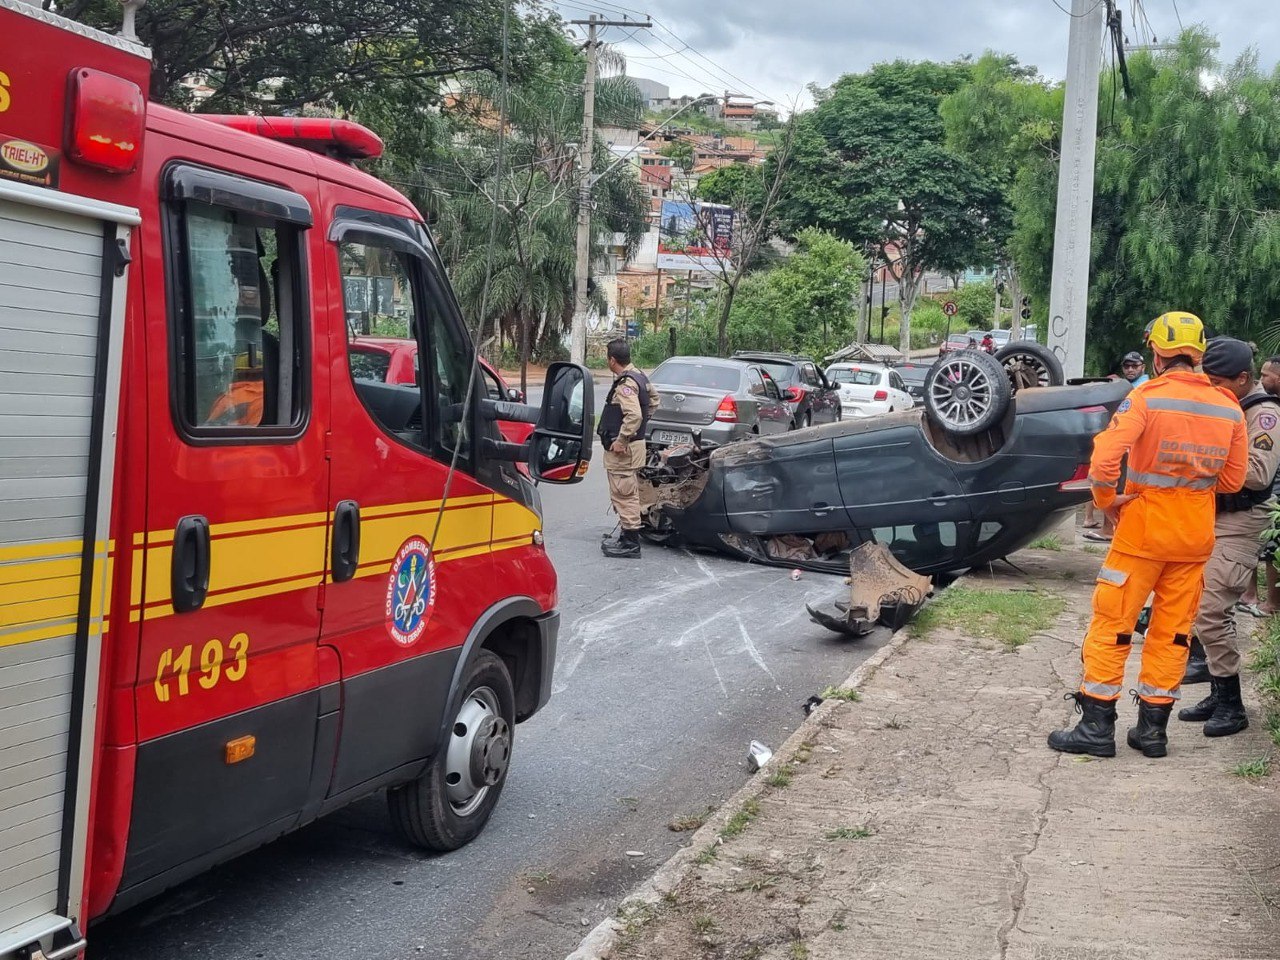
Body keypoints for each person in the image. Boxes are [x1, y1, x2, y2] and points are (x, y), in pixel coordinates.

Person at [1048, 311, 1248, 759]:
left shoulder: (1146, 398)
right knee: (1173, 633)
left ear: (1156, 354)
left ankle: (1097, 728)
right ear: (1198, 354)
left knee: (1113, 626)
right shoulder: (1229, 408)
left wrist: (1105, 500)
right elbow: (1233, 483)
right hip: (1195, 537)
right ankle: (1153, 732)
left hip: (1141, 532)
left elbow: (1104, 461)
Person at [1174, 338, 1280, 736]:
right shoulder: (1227, 403)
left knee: (1212, 608)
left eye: (1219, 382)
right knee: (1201, 604)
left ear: (1242, 378)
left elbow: (1257, 473)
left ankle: (1232, 705)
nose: (1212, 390)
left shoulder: (1264, 414)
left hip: (1244, 519)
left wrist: (1197, 465)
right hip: (1213, 517)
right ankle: (1220, 693)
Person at [597, 339, 658, 559]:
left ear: (612, 360)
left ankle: (631, 543)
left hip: (624, 450)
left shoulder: (626, 384)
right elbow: (654, 400)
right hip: (635, 447)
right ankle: (626, 535)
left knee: (624, 494)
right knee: (627, 491)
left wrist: (623, 438)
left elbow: (635, 414)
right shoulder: (639, 376)